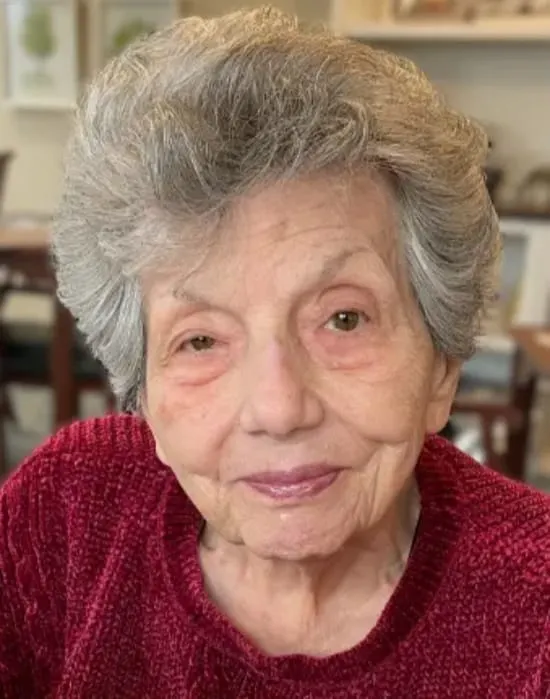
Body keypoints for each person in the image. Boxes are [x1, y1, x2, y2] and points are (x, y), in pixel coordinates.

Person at [0, 7, 548, 698]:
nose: (278, 409)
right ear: (145, 394)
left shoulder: (536, 608)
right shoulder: (70, 512)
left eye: (343, 319)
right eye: (200, 340)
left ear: (442, 363)